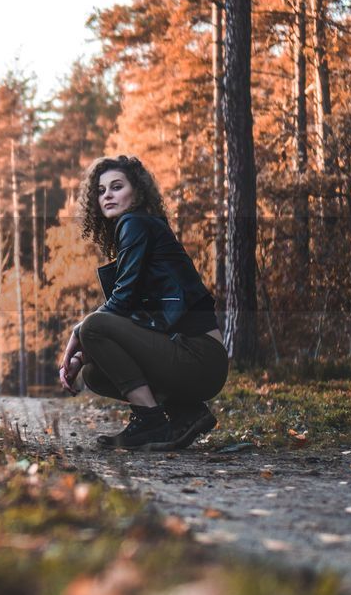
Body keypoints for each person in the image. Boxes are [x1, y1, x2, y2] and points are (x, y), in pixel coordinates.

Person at [58, 155, 229, 450]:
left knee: (94, 325)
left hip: (199, 357)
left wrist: (77, 335)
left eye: (116, 187)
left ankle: (152, 422)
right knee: (94, 374)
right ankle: (186, 413)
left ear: (136, 192)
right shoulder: (141, 228)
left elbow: (119, 305)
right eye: (101, 190)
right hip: (194, 362)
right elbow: (139, 325)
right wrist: (85, 357)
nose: (107, 195)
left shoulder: (134, 222)